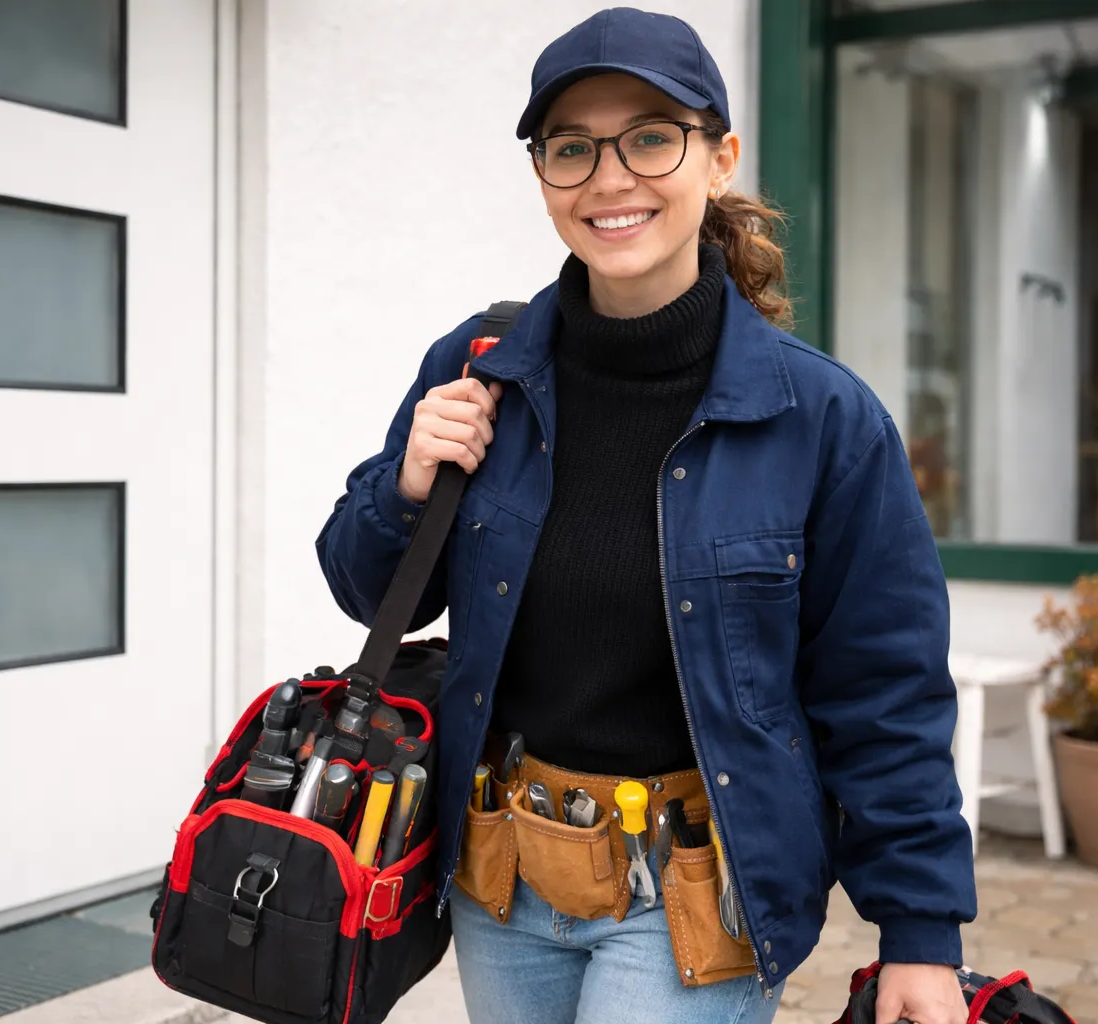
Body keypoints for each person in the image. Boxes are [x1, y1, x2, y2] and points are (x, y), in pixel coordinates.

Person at [315, 8, 976, 1024]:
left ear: (719, 159)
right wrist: (404, 488)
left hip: (696, 894)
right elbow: (369, 591)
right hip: (504, 875)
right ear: (542, 177)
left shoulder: (822, 418)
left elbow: (884, 686)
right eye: (571, 148)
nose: (609, 177)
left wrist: (920, 932)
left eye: (652, 136)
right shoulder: (480, 366)